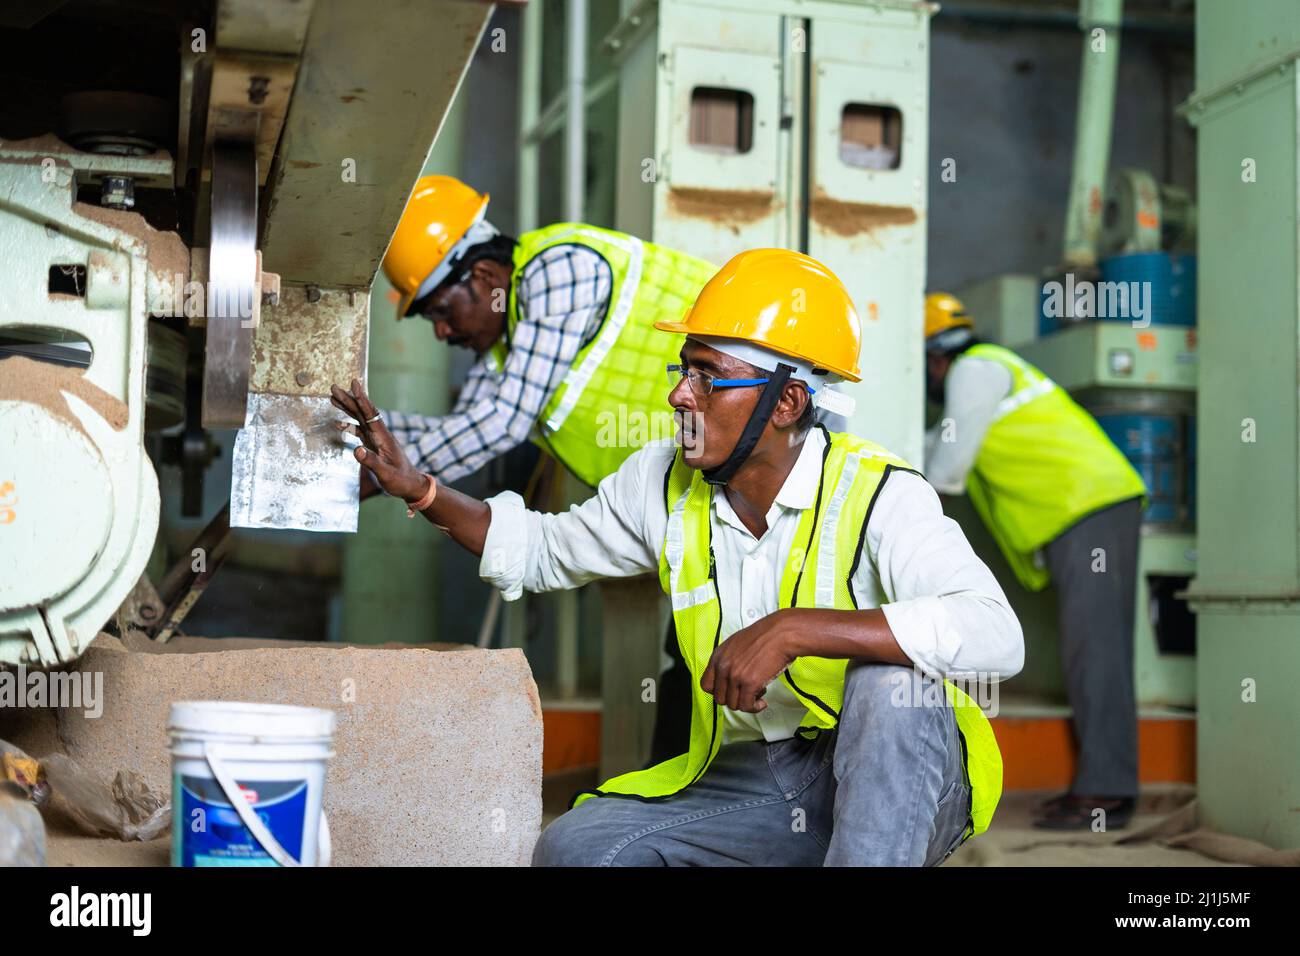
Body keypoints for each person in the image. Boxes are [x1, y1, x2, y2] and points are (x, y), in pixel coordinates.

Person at [332, 250, 1023, 866]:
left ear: (787, 401)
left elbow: (997, 634)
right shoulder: (661, 481)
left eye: (707, 376)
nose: (678, 395)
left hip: (907, 783)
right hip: (772, 778)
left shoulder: (880, 491)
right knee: (579, 849)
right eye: (682, 368)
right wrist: (421, 489)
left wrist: (794, 627)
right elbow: (543, 550)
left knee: (888, 685)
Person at [922, 291, 1147, 830]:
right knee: (1091, 648)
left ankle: (1106, 794)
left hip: (1088, 507)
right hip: (1087, 509)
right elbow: (933, 446)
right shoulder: (989, 370)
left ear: (933, 357)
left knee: (1096, 650)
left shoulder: (974, 371)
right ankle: (1102, 786)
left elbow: (945, 470)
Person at [374, 175, 716, 489]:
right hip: (688, 487)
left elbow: (505, 420)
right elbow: (463, 428)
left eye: (442, 312)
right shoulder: (506, 344)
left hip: (744, 448)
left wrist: (382, 478)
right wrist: (366, 430)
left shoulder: (561, 269)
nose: (441, 331)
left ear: (484, 277)